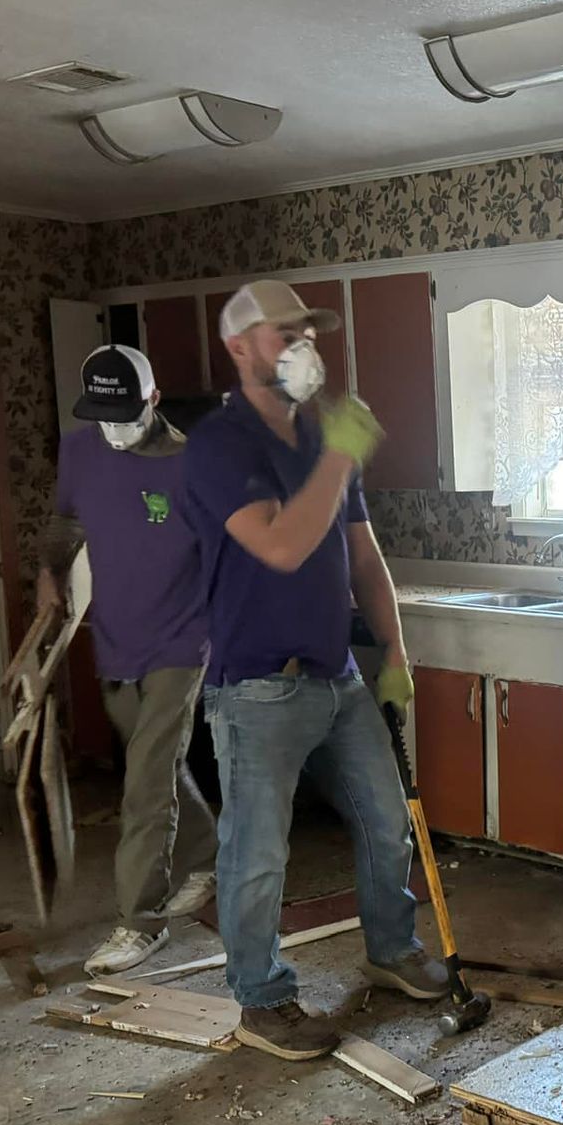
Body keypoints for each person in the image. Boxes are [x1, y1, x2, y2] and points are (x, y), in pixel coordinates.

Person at [183, 280, 444, 1061]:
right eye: (281, 333)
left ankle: (390, 950)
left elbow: (360, 552)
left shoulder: (322, 440)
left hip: (339, 676)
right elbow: (283, 544)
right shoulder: (222, 446)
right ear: (238, 349)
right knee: (258, 853)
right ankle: (262, 1002)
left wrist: (394, 647)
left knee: (386, 821)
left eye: (308, 332)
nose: (301, 346)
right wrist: (339, 453)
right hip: (257, 686)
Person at [40, 345, 217, 975]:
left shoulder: (194, 464)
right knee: (157, 765)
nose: (113, 429)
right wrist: (49, 573)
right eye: (102, 416)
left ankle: (142, 923)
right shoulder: (81, 449)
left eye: (125, 414)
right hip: (115, 639)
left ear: (154, 399)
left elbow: (230, 555)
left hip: (182, 640)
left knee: (143, 786)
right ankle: (209, 853)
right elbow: (65, 522)